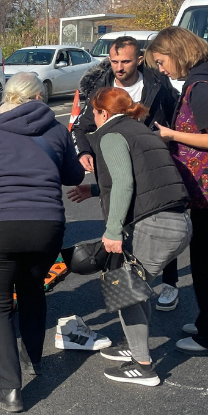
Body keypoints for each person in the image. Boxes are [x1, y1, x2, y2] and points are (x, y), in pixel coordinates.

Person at [0, 73, 85, 412]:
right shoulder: (55, 128)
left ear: (8, 97)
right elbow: (74, 175)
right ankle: (33, 359)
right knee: (33, 290)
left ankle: (9, 388)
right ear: (38, 97)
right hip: (45, 225)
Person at [67, 87, 191, 386]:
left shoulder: (110, 134)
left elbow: (123, 183)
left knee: (125, 290)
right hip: (179, 220)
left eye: (93, 113)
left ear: (103, 113)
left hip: (154, 223)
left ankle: (143, 364)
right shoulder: (142, 131)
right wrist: (94, 189)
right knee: (136, 286)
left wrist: (111, 231)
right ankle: (136, 347)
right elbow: (144, 177)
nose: (92, 119)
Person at [72, 36, 181, 311]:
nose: (119, 67)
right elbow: (80, 127)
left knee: (156, 217)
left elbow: (175, 117)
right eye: (114, 61)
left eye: (126, 61)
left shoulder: (158, 83)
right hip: (115, 162)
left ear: (139, 60)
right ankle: (129, 287)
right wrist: (84, 153)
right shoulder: (101, 85)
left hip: (151, 161)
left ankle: (169, 283)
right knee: (121, 219)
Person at [145, 26, 208, 355]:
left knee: (203, 262)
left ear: (176, 52)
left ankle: (206, 336)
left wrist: (171, 135)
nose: (161, 69)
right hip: (202, 193)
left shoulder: (200, 86)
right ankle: (203, 321)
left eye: (160, 61)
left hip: (207, 194)